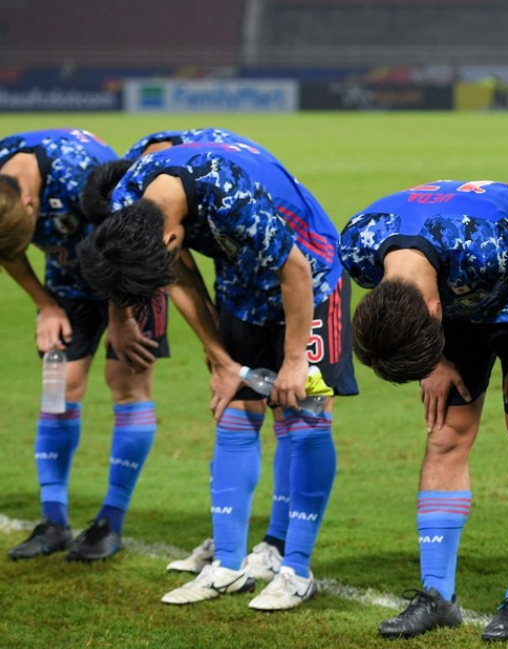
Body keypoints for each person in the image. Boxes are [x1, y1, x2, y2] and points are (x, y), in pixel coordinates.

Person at [76, 140, 357, 610]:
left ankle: (295, 568)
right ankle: (228, 567)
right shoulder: (129, 201)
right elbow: (178, 275)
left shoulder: (230, 196)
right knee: (234, 413)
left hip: (312, 278)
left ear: (169, 237)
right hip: (241, 284)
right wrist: (221, 359)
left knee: (304, 416)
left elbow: (295, 271)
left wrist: (294, 361)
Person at [338, 180, 508, 641]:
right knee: (444, 434)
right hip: (456, 304)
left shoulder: (487, 248)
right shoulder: (358, 247)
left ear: (432, 310)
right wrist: (434, 361)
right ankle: (437, 595)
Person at [0, 128, 168, 563]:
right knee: (58, 389)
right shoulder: (4, 189)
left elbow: (122, 241)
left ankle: (110, 522)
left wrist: (121, 319)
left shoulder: (81, 172)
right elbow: (5, 245)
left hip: (129, 278)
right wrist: (44, 305)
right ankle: (54, 521)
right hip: (66, 287)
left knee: (127, 383)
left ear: (33, 204)